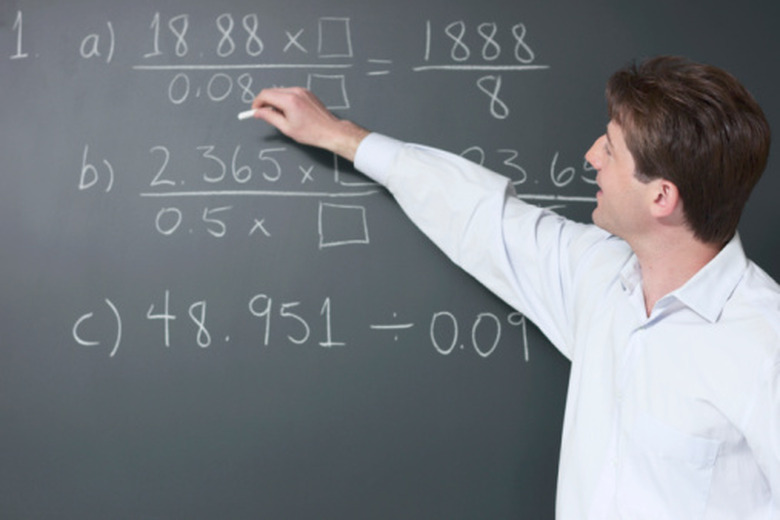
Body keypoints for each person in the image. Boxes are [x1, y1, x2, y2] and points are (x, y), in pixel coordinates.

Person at [250, 56, 779, 519]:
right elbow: (479, 216)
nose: (592, 155)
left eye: (612, 150)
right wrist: (336, 134)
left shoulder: (764, 345)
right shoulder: (597, 278)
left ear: (662, 197)